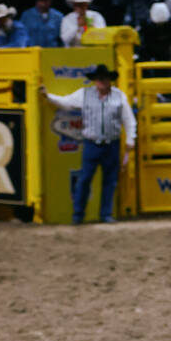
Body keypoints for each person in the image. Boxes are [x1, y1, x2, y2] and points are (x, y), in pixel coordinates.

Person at [39, 64, 136, 224]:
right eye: (99, 79)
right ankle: (79, 214)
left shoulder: (119, 96)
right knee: (85, 179)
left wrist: (130, 138)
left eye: (104, 79)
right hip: (92, 143)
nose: (102, 82)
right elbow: (66, 103)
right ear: (95, 81)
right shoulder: (85, 94)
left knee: (109, 181)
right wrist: (48, 97)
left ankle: (104, 214)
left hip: (111, 143)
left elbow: (128, 119)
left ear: (109, 80)